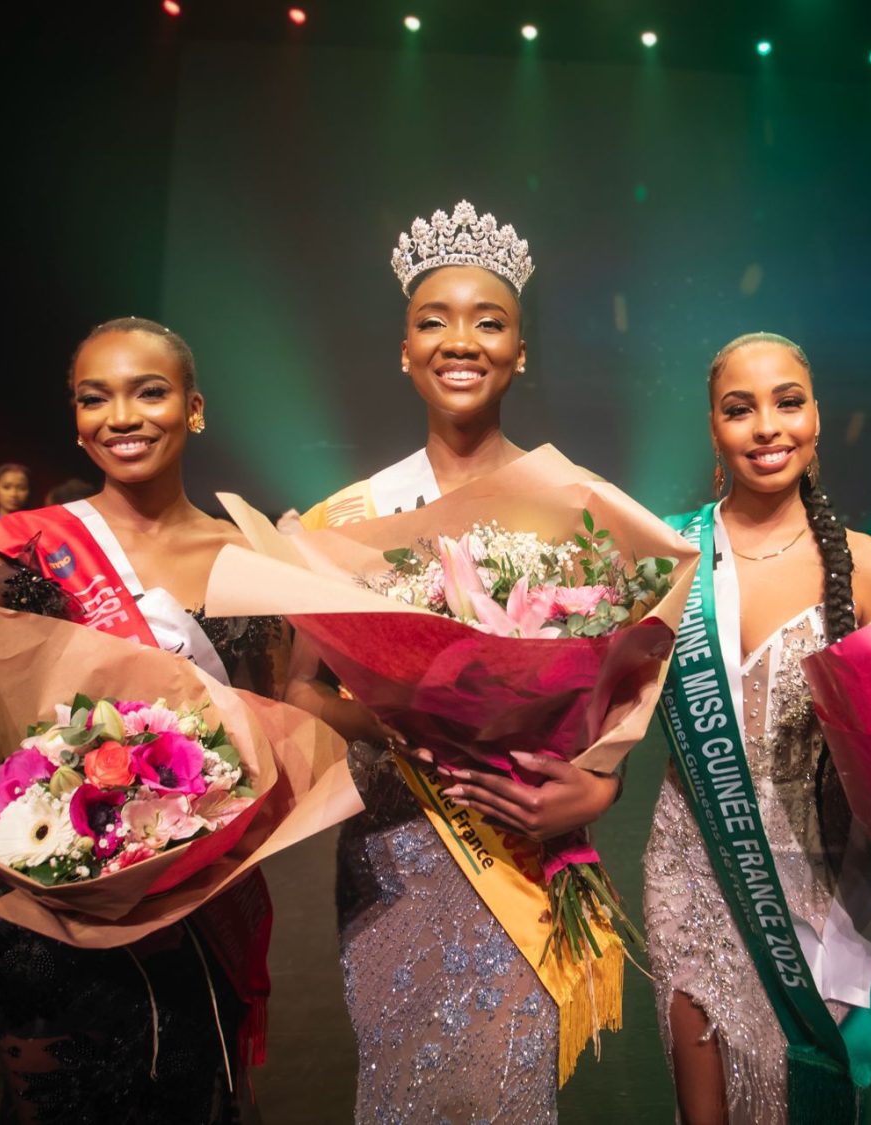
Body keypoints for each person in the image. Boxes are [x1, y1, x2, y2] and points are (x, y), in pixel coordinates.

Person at [289, 202, 620, 1124]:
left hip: (518, 847)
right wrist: (398, 717)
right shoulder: (344, 519)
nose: (459, 340)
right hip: (394, 854)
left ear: (521, 351)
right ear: (403, 350)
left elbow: (618, 715)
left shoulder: (581, 508)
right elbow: (299, 692)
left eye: (489, 320)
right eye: (433, 320)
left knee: (510, 1086)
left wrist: (598, 791)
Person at [0, 317, 281, 1124]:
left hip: (194, 909)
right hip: (44, 912)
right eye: (94, 397)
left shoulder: (246, 556)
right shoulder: (23, 547)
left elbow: (270, 730)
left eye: (149, 391)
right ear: (74, 418)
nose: (121, 416)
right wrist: (28, 844)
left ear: (195, 406)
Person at [643, 333, 871, 1125]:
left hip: (823, 872)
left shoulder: (870, 566)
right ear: (713, 428)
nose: (767, 426)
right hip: (695, 864)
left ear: (815, 418)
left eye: (788, 402)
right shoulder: (668, 553)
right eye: (740, 409)